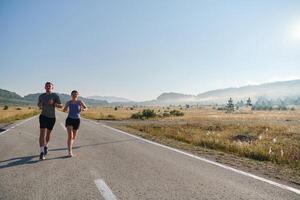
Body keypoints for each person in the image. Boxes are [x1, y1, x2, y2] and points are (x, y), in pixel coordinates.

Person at [38, 82, 63, 160]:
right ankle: (42, 152)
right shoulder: (41, 96)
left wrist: (54, 104)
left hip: (52, 117)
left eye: (50, 86)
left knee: (48, 133)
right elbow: (39, 106)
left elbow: (61, 106)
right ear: (45, 87)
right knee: (42, 133)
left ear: (52, 88)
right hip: (43, 116)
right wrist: (40, 105)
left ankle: (46, 145)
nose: (48, 87)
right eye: (47, 86)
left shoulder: (55, 96)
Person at [63, 90, 87, 157]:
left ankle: (70, 146)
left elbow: (86, 108)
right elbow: (64, 110)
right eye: (73, 94)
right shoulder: (69, 102)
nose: (74, 95)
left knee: (73, 137)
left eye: (76, 94)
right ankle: (70, 152)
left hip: (77, 120)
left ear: (78, 95)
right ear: (71, 95)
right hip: (70, 119)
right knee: (70, 136)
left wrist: (82, 109)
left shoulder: (80, 102)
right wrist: (66, 108)